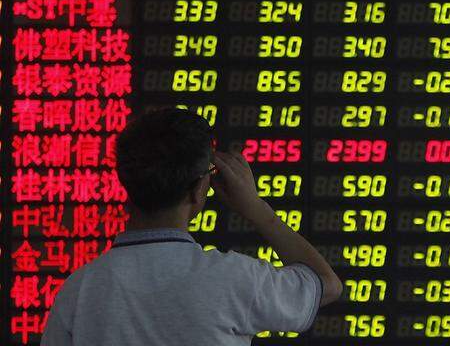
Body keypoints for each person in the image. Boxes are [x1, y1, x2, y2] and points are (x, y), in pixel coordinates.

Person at [41, 107, 343, 345]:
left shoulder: (80, 290)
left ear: (127, 183)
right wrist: (254, 206)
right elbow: (325, 284)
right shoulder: (234, 279)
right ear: (200, 189)